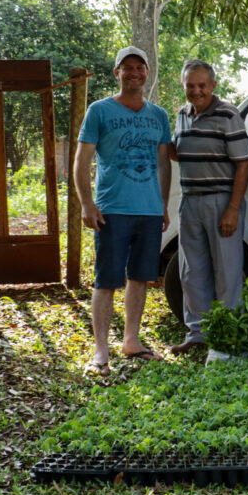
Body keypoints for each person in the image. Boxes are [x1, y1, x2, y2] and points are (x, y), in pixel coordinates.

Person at [72, 46, 172, 376]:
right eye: (126, 67)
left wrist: (163, 205)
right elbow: (81, 161)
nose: (134, 72)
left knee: (141, 278)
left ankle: (131, 340)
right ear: (117, 73)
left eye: (140, 67)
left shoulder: (158, 115)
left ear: (147, 72)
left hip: (149, 211)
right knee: (106, 280)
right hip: (112, 210)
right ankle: (101, 350)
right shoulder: (99, 111)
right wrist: (87, 203)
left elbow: (163, 163)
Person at [168, 60, 248, 355]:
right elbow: (180, 153)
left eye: (202, 85)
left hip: (221, 200)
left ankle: (229, 336)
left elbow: (243, 165)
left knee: (227, 272)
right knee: (191, 271)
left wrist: (233, 208)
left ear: (213, 85)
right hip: (190, 201)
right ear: (184, 86)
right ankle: (197, 334)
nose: (196, 91)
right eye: (190, 85)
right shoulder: (181, 115)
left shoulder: (229, 114)